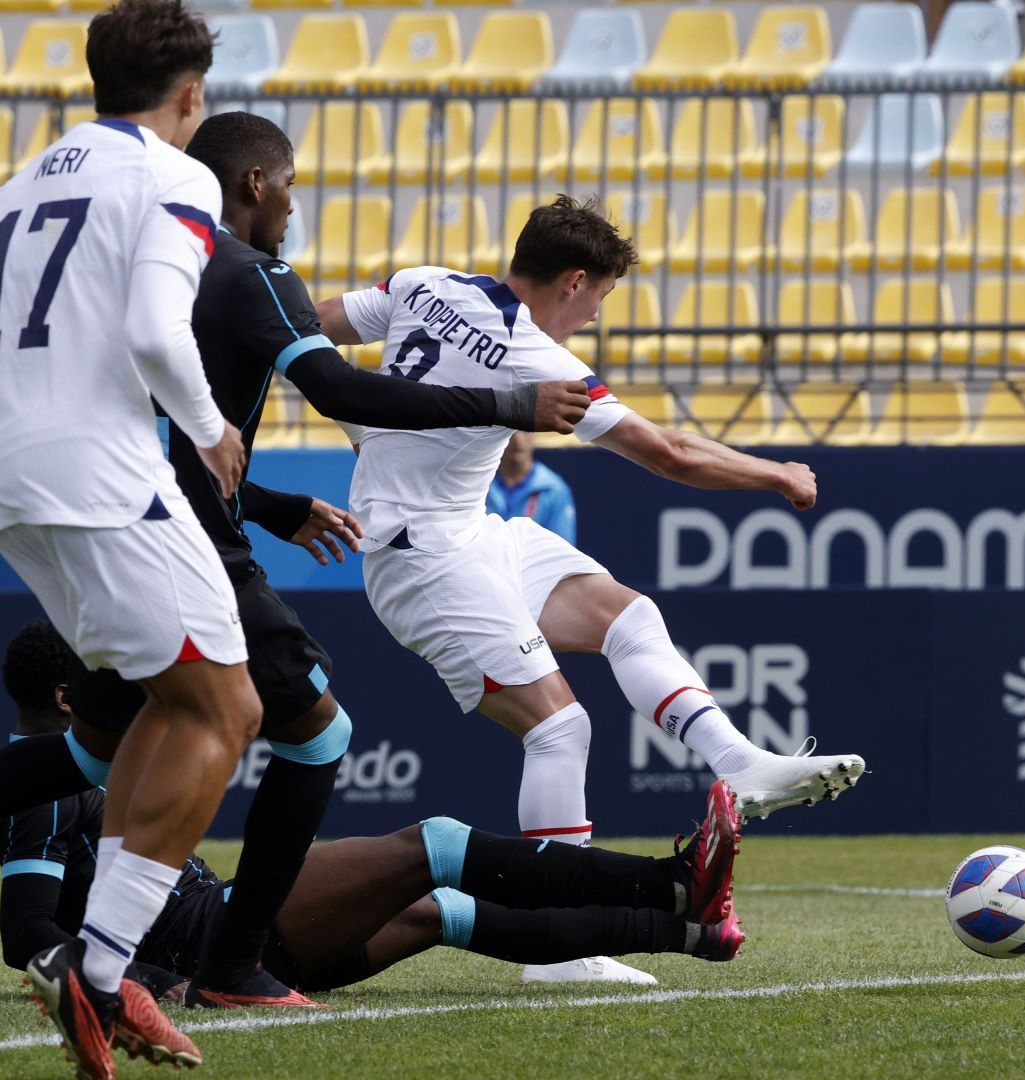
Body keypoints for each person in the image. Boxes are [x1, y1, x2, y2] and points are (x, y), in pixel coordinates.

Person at [0, 109, 590, 1013]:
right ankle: (232, 967)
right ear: (255, 184)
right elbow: (342, 389)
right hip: (185, 542)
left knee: (94, 753)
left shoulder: (143, 260)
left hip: (105, 508)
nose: (292, 205)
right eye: (289, 186)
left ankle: (145, 959)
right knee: (317, 732)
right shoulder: (251, 270)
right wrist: (514, 401)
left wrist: (274, 507)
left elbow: (169, 431)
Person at [316, 195, 867, 984]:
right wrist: (776, 474)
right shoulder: (534, 354)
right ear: (575, 280)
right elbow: (669, 452)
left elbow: (309, 325)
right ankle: (561, 949)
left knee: (628, 616)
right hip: (424, 559)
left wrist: (363, 429)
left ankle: (739, 762)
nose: (595, 317)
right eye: (601, 297)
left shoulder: (424, 282)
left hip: (474, 532)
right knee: (558, 730)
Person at [1, 620, 745, 1038]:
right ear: (69, 697)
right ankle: (675, 884)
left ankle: (689, 933)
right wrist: (156, 982)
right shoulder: (45, 793)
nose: (137, 687)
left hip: (224, 928)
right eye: (111, 678)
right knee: (435, 844)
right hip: (209, 939)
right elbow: (24, 931)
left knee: (441, 911)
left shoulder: (75, 770)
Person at [0, 2, 262, 1074]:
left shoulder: (20, 183)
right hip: (100, 471)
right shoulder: (174, 174)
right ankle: (102, 971)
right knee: (229, 705)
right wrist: (210, 427)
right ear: (191, 94)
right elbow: (157, 328)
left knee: (169, 694)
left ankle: (102, 969)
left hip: (15, 476)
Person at [487, 432, 578, 544]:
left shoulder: (555, 489)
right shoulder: (480, 483)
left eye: (525, 430)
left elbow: (562, 548)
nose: (518, 439)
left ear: (535, 434)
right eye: (510, 431)